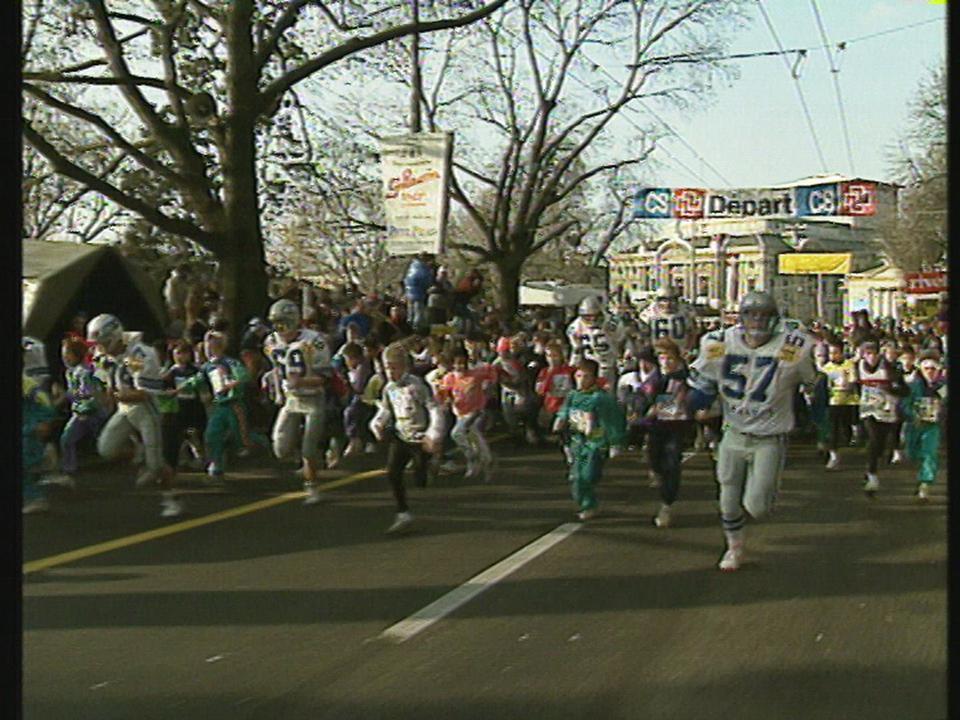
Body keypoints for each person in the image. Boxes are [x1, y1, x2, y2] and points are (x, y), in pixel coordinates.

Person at [687, 292, 819, 571]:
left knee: (757, 506)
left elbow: (812, 384)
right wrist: (696, 402)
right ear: (741, 317)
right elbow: (703, 384)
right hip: (733, 433)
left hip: (769, 437)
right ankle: (734, 548)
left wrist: (810, 410)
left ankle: (768, 489)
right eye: (751, 314)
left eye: (764, 315)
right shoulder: (718, 342)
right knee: (727, 501)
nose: (757, 321)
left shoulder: (795, 346)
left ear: (774, 319)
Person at [86, 314, 183, 518]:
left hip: (145, 409)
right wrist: (99, 393)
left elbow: (143, 393)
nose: (99, 347)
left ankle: (171, 498)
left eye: (103, 342)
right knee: (105, 448)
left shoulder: (137, 354)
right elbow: (105, 384)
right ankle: (140, 453)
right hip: (124, 409)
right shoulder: (105, 356)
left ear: (115, 337)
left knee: (156, 464)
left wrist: (116, 394)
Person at [369, 342, 446, 533]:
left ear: (404, 367)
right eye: (387, 368)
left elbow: (433, 408)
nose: (390, 372)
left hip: (420, 437)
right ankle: (403, 513)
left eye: (394, 368)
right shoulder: (389, 388)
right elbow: (386, 409)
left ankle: (431, 462)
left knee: (420, 480)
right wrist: (377, 423)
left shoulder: (417, 385)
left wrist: (433, 434)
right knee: (393, 472)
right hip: (401, 435)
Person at [263, 299, 333, 505]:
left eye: (282, 323)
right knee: (280, 448)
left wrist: (301, 381)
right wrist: (277, 390)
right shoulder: (271, 342)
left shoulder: (314, 341)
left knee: (309, 449)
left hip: (312, 397)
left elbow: (325, 377)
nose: (279, 328)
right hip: (292, 399)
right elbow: (277, 368)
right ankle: (307, 457)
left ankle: (312, 486)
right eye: (275, 323)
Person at [553, 358, 626, 521]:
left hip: (596, 442)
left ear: (594, 378)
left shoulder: (601, 398)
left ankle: (589, 496)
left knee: (589, 474)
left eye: (586, 376)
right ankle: (588, 505)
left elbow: (612, 421)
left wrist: (615, 442)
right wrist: (560, 420)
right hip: (578, 441)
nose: (581, 380)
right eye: (578, 376)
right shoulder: (573, 395)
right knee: (577, 477)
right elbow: (565, 410)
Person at [173, 331, 249, 482]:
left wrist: (230, 385)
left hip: (233, 403)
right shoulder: (208, 366)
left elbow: (243, 375)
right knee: (212, 434)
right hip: (219, 404)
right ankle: (216, 465)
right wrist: (178, 389)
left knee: (239, 436)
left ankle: (258, 444)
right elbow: (196, 380)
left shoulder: (229, 362)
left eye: (211, 345)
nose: (208, 348)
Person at [645, 338, 695, 529]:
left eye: (669, 358)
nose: (666, 362)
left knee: (672, 463)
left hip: (677, 425)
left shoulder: (686, 377)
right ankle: (656, 471)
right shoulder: (655, 377)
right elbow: (644, 395)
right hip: (657, 426)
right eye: (661, 358)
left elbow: (693, 394)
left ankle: (666, 504)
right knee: (655, 458)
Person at [47, 338, 108, 488]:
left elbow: (87, 395)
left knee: (103, 442)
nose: (65, 357)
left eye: (67, 353)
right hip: (80, 414)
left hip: (91, 413)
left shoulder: (84, 372)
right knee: (67, 439)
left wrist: (81, 406)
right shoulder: (70, 372)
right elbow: (72, 393)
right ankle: (69, 471)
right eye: (63, 354)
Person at [856, 341, 909, 497]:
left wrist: (890, 389)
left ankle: (872, 468)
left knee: (880, 444)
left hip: (887, 411)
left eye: (873, 353)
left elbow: (905, 391)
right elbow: (855, 384)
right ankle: (872, 475)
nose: (871, 357)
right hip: (868, 410)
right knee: (873, 439)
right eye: (867, 354)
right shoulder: (858, 366)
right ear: (863, 355)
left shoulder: (889, 369)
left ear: (879, 354)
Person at [438, 347, 498, 481]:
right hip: (461, 413)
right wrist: (447, 400)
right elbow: (444, 393)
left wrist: (489, 389)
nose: (460, 366)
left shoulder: (475, 374)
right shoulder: (449, 378)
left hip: (476, 412)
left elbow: (492, 373)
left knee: (458, 433)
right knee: (472, 438)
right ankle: (482, 461)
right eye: (457, 363)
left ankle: (474, 458)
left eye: (462, 363)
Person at [902, 351, 947, 501]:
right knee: (912, 453)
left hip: (932, 426)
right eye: (926, 368)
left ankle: (925, 484)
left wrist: (941, 411)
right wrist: (912, 415)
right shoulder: (913, 385)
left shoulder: (942, 387)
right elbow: (904, 405)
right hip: (914, 425)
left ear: (938, 370)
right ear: (921, 368)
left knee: (930, 453)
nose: (930, 372)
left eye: (933, 369)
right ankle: (921, 476)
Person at [566, 296, 623, 394]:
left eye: (595, 315)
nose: (592, 319)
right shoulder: (575, 327)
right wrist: (575, 364)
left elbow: (622, 342)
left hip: (609, 363)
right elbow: (576, 348)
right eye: (588, 316)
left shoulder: (612, 323)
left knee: (607, 391)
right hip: (590, 364)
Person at [818, 340, 859, 470]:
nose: (833, 355)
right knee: (833, 429)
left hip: (850, 401)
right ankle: (834, 455)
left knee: (846, 428)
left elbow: (853, 380)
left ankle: (852, 435)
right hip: (834, 401)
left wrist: (848, 383)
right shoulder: (826, 368)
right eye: (830, 353)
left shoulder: (849, 364)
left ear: (842, 352)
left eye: (835, 352)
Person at [23, 370, 58, 514]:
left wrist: (45, 420)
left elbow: (43, 399)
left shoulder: (25, 383)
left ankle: (36, 499)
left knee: (24, 464)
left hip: (30, 428)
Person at [639, 285, 698, 356]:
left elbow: (692, 332)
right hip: (657, 353)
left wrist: (688, 349)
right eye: (664, 300)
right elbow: (643, 335)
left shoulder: (686, 311)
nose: (668, 304)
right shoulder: (649, 313)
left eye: (672, 300)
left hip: (680, 352)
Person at [403, 255, 434, 331]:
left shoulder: (412, 266)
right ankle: (417, 327)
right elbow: (426, 282)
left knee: (411, 311)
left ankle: (409, 325)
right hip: (418, 293)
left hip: (409, 291)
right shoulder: (423, 269)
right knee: (419, 311)